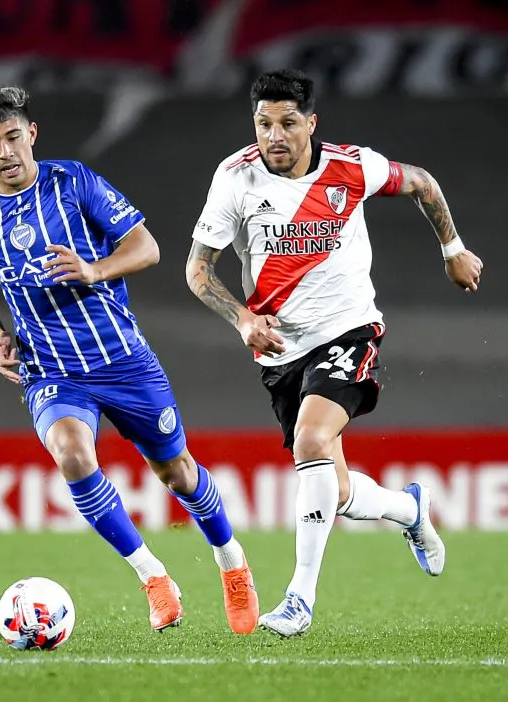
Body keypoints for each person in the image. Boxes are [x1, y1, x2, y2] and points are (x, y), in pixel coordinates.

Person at [0, 85, 259, 635]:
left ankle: (232, 562)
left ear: (32, 134)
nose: (7, 152)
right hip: (51, 370)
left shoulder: (75, 182)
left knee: (177, 473)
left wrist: (93, 270)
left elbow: (148, 247)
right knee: (72, 455)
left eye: (14, 137)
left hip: (121, 358)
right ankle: (154, 578)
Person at [185, 69, 484, 637]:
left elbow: (422, 182)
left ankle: (299, 597)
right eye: (264, 123)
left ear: (311, 123)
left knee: (312, 441)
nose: (275, 135)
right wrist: (243, 318)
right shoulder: (236, 179)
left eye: (288, 123)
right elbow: (198, 270)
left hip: (349, 329)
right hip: (279, 350)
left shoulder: (353, 167)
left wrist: (454, 249)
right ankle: (409, 511)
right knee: (336, 490)